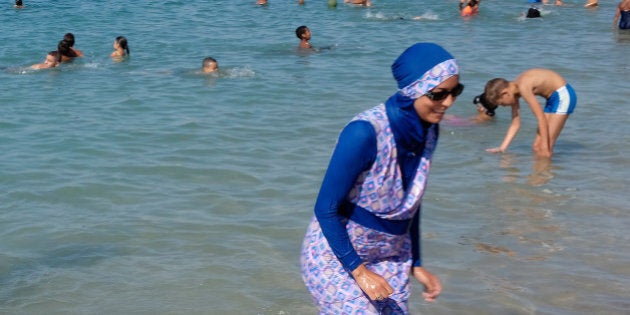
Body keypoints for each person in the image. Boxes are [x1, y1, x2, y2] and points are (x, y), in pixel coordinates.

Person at [300, 42, 463, 314]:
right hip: (336, 255)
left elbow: (412, 202)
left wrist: (417, 263)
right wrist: (360, 272)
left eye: (455, 92)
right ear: (413, 91)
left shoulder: (428, 132)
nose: (448, 103)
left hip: (391, 255)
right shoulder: (365, 132)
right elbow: (325, 208)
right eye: (438, 94)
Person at [481, 68, 576, 157]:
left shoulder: (523, 87)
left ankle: (545, 173)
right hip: (552, 99)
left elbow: (540, 117)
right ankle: (541, 172)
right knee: (536, 147)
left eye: (502, 103)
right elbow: (515, 123)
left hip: (563, 95)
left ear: (505, 93)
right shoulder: (513, 92)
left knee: (545, 148)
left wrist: (545, 147)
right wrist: (502, 148)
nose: (504, 106)